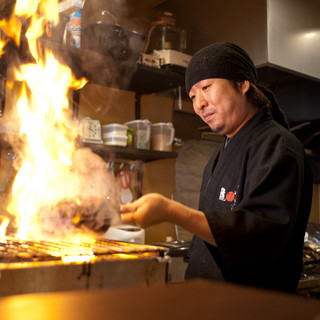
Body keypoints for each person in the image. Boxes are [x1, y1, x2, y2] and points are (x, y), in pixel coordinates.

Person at [120, 42, 313, 292]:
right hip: (210, 301)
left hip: (255, 309)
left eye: (206, 87)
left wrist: (171, 211)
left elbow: (259, 236)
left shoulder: (278, 145)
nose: (199, 103)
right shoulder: (217, 158)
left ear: (242, 83)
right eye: (192, 96)